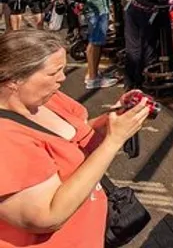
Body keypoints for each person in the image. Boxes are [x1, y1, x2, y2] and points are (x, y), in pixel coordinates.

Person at [0, 29, 149, 248]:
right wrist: (114, 141)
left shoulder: (45, 99)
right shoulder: (6, 138)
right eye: (54, 72)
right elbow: (47, 215)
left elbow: (79, 135)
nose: (62, 78)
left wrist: (113, 119)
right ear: (15, 79)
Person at [74, 0, 131, 90]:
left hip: (98, 6)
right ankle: (93, 79)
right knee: (96, 42)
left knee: (94, 42)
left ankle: (92, 73)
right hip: (96, 7)